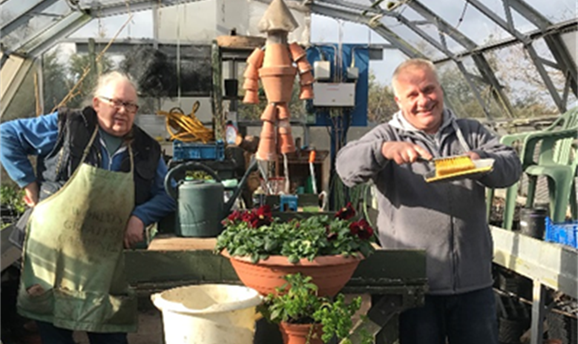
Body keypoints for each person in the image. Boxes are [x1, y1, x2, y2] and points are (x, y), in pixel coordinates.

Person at [335, 59, 522, 344]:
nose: (423, 100)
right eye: (412, 95)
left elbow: (511, 166)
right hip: (413, 288)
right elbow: (345, 167)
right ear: (399, 101)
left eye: (428, 90)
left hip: (474, 284)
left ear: (440, 90)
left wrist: (480, 161)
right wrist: (385, 150)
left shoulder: (469, 132)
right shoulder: (387, 135)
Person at [0, 71, 175, 344]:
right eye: (116, 102)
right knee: (55, 333)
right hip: (53, 258)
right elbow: (6, 134)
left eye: (130, 106)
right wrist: (28, 183)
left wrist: (140, 216)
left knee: (109, 334)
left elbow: (166, 193)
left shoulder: (146, 149)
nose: (123, 111)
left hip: (103, 262)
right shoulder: (67, 127)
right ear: (96, 103)